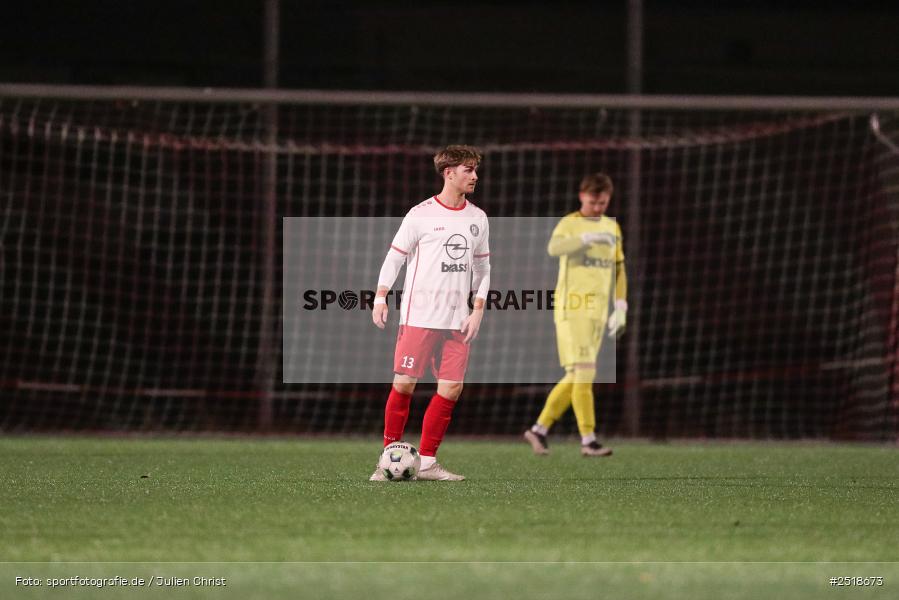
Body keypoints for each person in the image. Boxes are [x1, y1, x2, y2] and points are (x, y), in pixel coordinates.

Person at [370, 145, 490, 481]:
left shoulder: (477, 218)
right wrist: (381, 297)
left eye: (475, 169)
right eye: (468, 169)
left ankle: (427, 462)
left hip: (457, 321)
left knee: (451, 388)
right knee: (405, 384)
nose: (475, 176)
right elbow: (395, 258)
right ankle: (387, 460)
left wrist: (477, 310)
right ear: (448, 172)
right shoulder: (420, 214)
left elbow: (484, 269)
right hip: (419, 317)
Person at [523, 173, 627, 457]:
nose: (598, 208)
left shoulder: (611, 228)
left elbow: (619, 269)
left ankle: (539, 430)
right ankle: (588, 439)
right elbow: (554, 248)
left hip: (597, 312)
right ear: (582, 196)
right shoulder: (570, 224)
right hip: (573, 309)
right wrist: (585, 238)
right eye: (593, 202)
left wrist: (620, 306)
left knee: (576, 375)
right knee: (585, 372)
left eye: (603, 203)